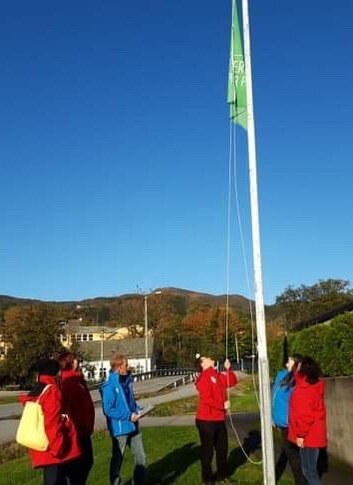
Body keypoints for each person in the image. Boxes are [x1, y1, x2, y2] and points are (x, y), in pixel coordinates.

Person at [19, 358, 81, 485]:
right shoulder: (52, 390)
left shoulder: (38, 389)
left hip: (43, 445)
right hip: (54, 447)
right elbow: (52, 421)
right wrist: (58, 447)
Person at [100, 353, 146, 485]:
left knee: (141, 457)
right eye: (126, 365)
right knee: (118, 460)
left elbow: (130, 403)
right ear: (118, 367)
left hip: (134, 425)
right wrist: (128, 416)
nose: (128, 367)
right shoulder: (109, 385)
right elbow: (108, 409)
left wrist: (139, 410)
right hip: (120, 429)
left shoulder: (127, 381)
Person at [195, 355, 237, 485]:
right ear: (203, 364)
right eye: (206, 357)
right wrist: (222, 406)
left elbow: (232, 381)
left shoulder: (217, 375)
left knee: (222, 449)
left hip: (219, 419)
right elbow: (206, 398)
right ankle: (207, 480)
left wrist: (228, 369)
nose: (209, 357)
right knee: (208, 451)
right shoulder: (204, 377)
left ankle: (221, 476)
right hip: (206, 420)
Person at [288, 356, 327, 485]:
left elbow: (304, 416)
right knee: (310, 471)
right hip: (313, 435)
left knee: (309, 472)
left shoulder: (303, 390)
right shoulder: (315, 385)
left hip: (308, 436)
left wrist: (300, 435)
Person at [58, 351, 95, 485]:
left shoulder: (77, 379)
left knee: (85, 464)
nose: (78, 362)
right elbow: (69, 409)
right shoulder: (69, 382)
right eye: (75, 360)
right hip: (78, 431)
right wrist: (79, 426)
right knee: (80, 467)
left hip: (84, 429)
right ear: (71, 363)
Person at [272, 353, 306, 484]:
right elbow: (274, 397)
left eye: (291, 359)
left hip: (290, 424)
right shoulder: (281, 375)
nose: (288, 360)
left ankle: (302, 481)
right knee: (290, 453)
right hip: (281, 423)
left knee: (294, 456)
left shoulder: (298, 379)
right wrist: (272, 418)